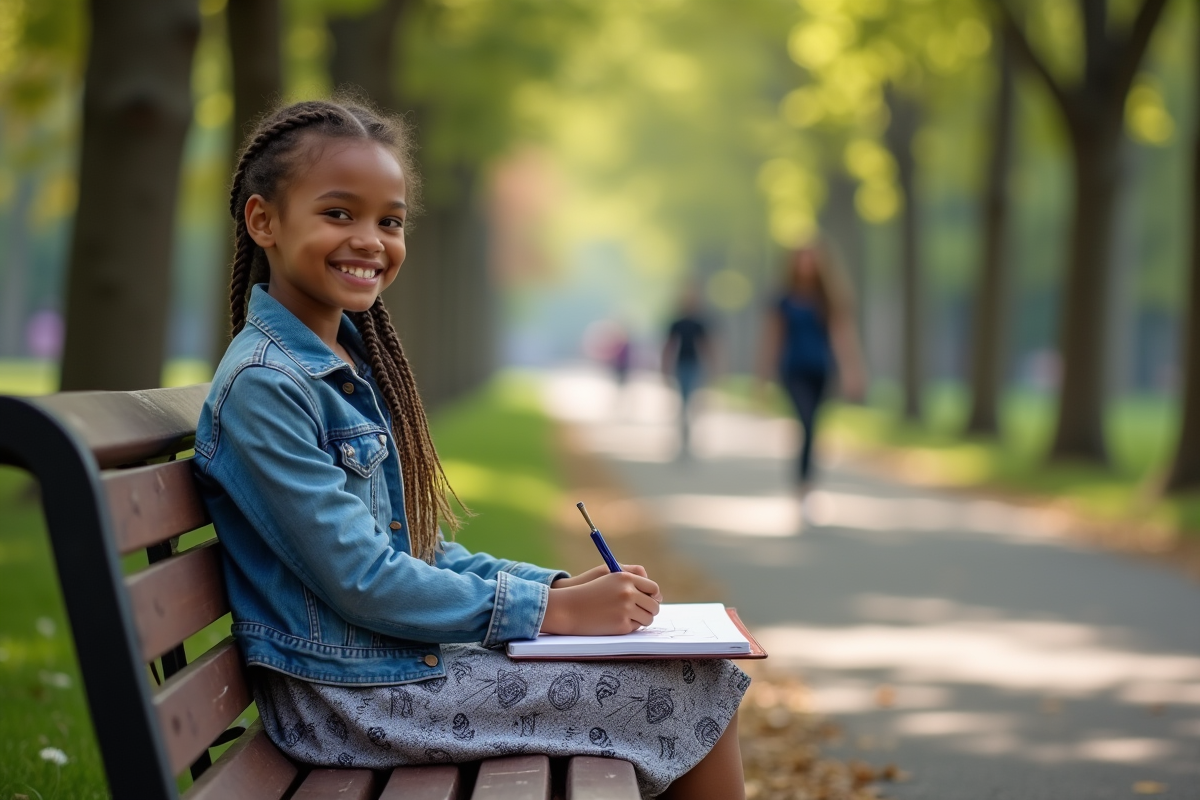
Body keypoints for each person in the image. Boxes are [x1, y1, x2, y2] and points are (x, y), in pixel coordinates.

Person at [191, 98, 748, 800]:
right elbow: (360, 575)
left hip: (391, 671)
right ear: (263, 220)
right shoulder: (267, 386)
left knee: (696, 676)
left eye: (389, 221)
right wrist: (554, 617)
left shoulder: (343, 365)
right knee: (697, 688)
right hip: (351, 704)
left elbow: (414, 549)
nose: (370, 239)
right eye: (339, 214)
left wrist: (554, 589)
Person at [757, 243, 866, 502]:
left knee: (813, 427)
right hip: (793, 370)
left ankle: (808, 482)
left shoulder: (828, 299)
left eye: (811, 259)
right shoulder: (783, 299)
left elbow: (842, 337)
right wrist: (762, 375)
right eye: (802, 259)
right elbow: (773, 339)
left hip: (821, 370)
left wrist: (853, 371)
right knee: (804, 421)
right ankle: (802, 484)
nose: (806, 264)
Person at [662, 285, 714, 458]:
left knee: (692, 402)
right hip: (681, 364)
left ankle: (690, 437)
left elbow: (706, 346)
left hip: (695, 365)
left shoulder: (700, 323)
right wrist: (665, 367)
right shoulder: (677, 323)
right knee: (683, 402)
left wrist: (712, 366)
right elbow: (669, 346)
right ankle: (683, 438)